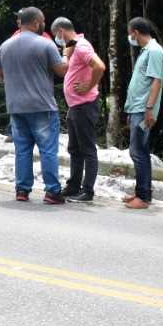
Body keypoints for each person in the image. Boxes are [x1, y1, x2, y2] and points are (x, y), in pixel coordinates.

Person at [0, 7, 68, 205]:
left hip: (16, 107)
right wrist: (68, 55)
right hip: (42, 106)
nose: (44, 24)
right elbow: (61, 70)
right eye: (42, 21)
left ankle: (22, 190)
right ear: (36, 22)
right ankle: (52, 192)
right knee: (48, 150)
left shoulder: (5, 46)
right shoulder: (45, 44)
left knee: (23, 150)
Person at [52, 17, 106, 202]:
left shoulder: (81, 46)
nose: (56, 40)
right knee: (74, 148)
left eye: (56, 35)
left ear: (60, 31)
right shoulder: (75, 45)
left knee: (87, 149)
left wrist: (89, 85)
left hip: (84, 105)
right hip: (75, 106)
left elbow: (99, 66)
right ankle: (74, 185)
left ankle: (87, 191)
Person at [123, 17, 163, 210]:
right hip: (137, 108)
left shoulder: (154, 51)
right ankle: (141, 192)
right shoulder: (146, 51)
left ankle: (144, 197)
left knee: (139, 152)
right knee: (139, 151)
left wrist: (149, 109)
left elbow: (157, 81)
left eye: (130, 32)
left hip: (143, 110)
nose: (129, 36)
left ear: (136, 32)